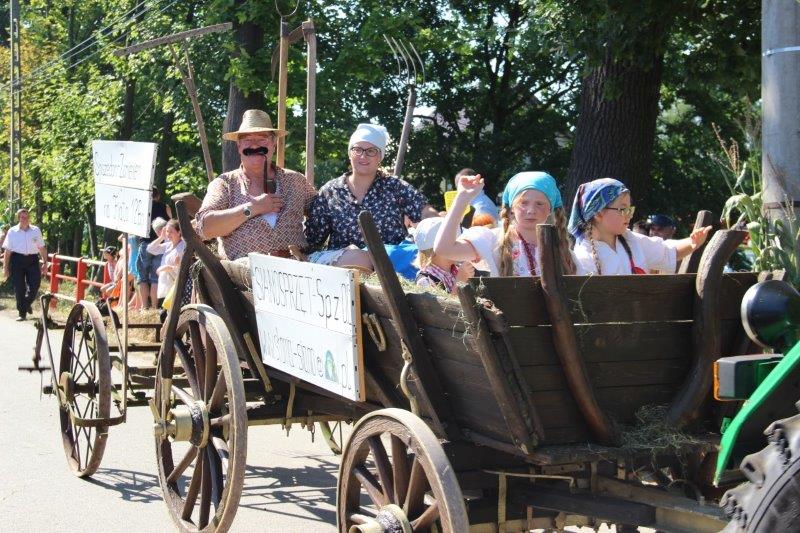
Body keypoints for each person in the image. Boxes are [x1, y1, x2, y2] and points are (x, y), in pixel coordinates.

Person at [305, 123, 438, 270]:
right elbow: (312, 240)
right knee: (359, 258)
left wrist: (440, 223)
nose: (363, 156)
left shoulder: (395, 187)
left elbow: (425, 212)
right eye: (357, 150)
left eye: (371, 151)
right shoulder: (330, 191)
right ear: (350, 153)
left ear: (380, 156)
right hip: (345, 269)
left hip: (390, 266)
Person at [195, 109, 316, 260]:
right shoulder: (225, 184)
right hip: (244, 277)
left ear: (273, 144)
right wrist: (252, 208)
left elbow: (323, 212)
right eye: (247, 140)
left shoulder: (296, 181)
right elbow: (205, 227)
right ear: (239, 146)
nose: (254, 146)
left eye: (262, 139)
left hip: (297, 272)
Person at [435, 172, 577, 276]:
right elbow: (444, 249)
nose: (531, 210)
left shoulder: (561, 249)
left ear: (549, 210)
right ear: (512, 208)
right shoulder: (493, 241)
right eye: (523, 203)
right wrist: (462, 198)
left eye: (540, 204)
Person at [568, 178, 710, 275]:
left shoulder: (632, 240)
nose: (629, 215)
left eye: (630, 209)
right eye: (623, 209)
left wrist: (692, 243)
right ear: (598, 213)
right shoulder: (583, 256)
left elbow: (667, 252)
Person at [2, 208, 48, 321]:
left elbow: (41, 247)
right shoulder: (12, 231)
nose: (25, 219)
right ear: (18, 218)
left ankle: (25, 304)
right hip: (17, 260)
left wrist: (45, 262)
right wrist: (5, 267)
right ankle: (22, 314)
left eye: (26, 217)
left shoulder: (35, 230)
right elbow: (7, 252)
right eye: (22, 217)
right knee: (19, 288)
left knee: (35, 285)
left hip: (32, 260)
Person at [413, 217, 475, 295]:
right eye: (455, 244)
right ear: (438, 250)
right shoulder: (425, 281)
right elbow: (441, 307)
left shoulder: (456, 271)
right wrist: (460, 281)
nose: (460, 247)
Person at [137, 186, 172, 309]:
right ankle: (154, 307)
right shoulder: (165, 207)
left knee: (143, 278)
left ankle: (144, 307)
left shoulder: (141, 207)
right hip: (161, 244)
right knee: (155, 277)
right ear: (158, 196)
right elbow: (172, 223)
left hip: (145, 244)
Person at [146, 219, 186, 310]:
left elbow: (182, 267)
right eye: (167, 231)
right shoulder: (168, 245)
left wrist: (166, 268)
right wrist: (161, 237)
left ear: (179, 232)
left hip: (175, 284)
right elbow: (150, 249)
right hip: (165, 284)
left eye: (171, 232)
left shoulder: (183, 246)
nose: (168, 234)